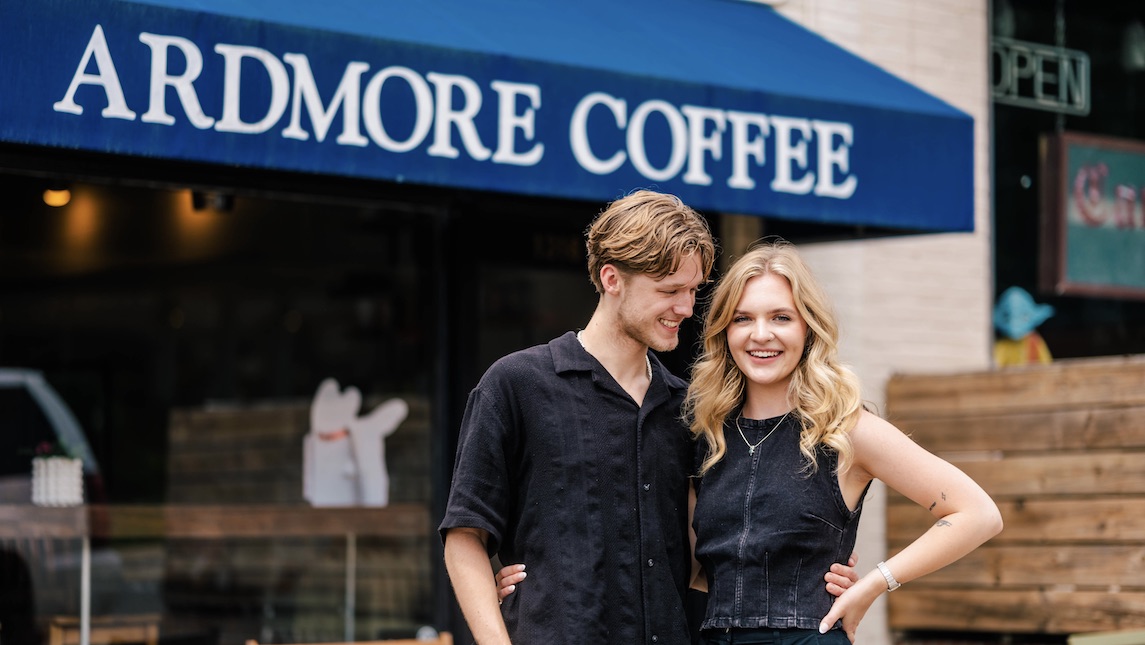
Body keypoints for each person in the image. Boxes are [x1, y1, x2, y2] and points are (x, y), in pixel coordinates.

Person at [441, 191, 857, 645]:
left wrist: (816, 571)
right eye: (669, 291)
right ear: (611, 278)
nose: (685, 308)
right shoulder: (515, 384)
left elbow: (718, 545)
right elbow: (465, 537)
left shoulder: (691, 409)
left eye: (694, 290)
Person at [685, 240, 1003, 645]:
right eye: (742, 318)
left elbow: (978, 513)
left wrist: (873, 584)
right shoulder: (707, 433)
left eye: (781, 317)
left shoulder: (845, 429)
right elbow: (701, 569)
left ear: (808, 327)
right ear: (724, 330)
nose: (760, 334)